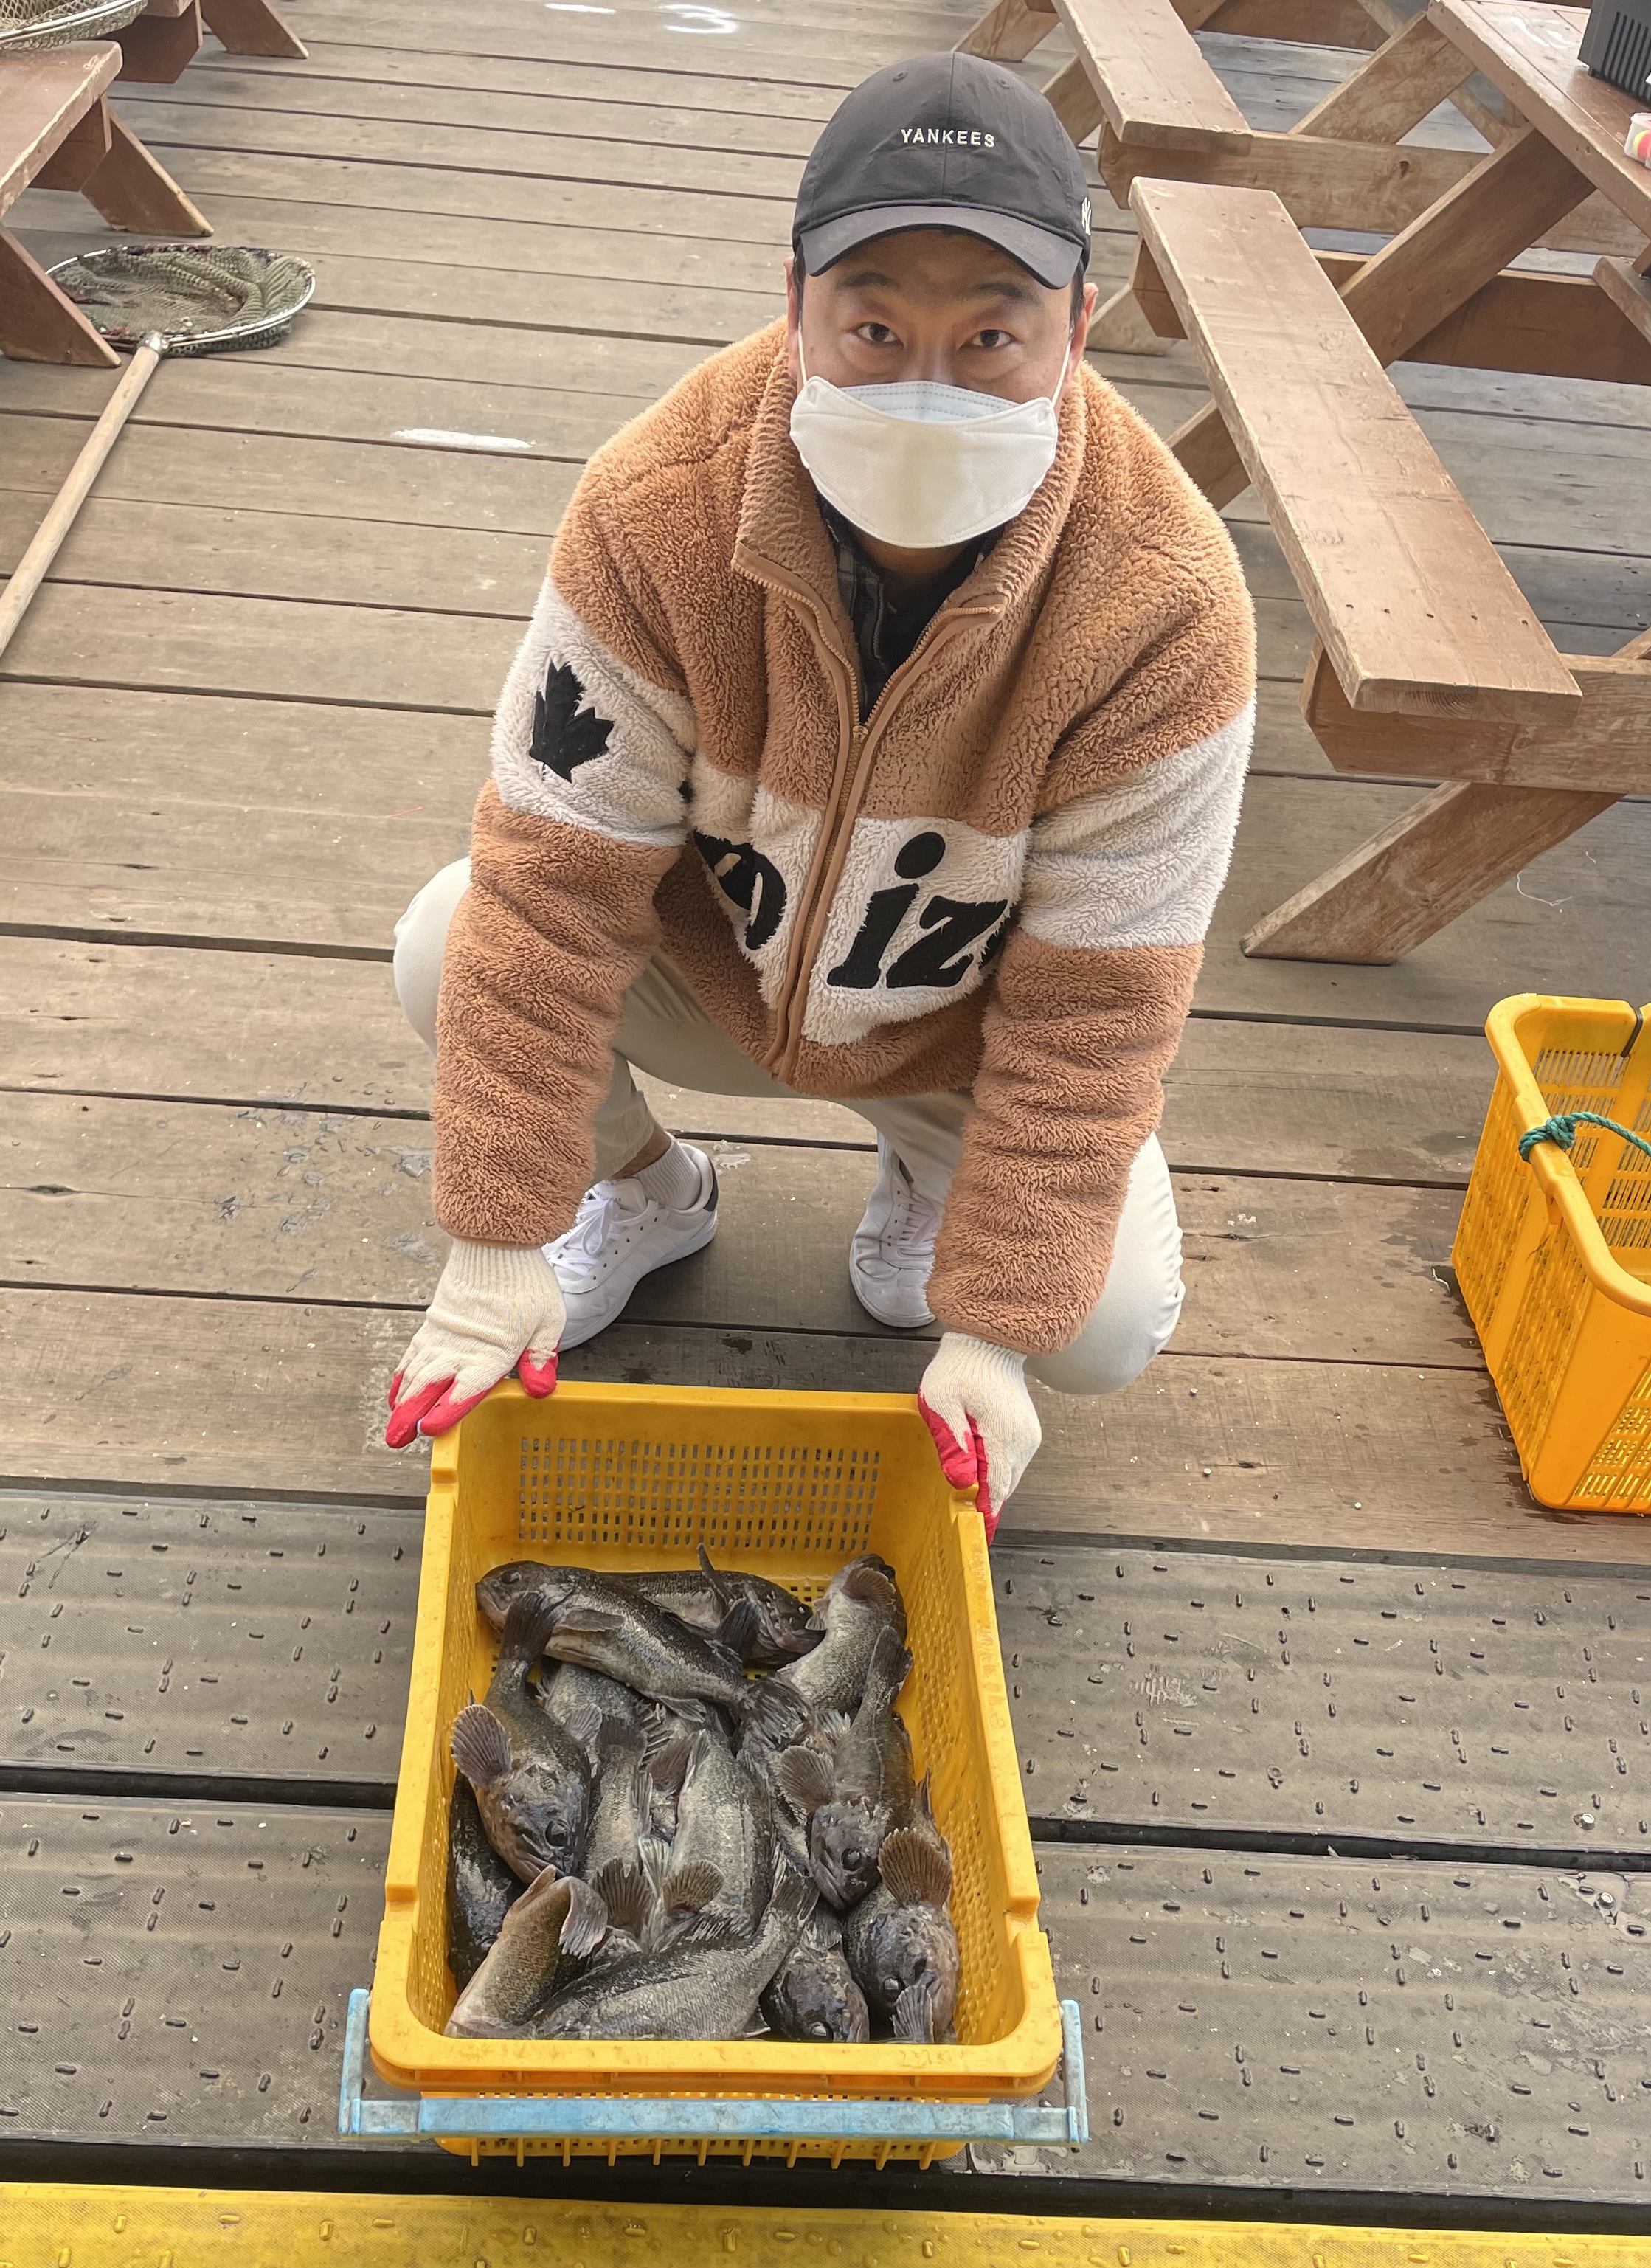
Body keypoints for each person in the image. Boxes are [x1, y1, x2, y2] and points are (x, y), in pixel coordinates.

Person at [385, 52, 1256, 1536]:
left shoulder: (1164, 607)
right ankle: (645, 1193)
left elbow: (1097, 1012)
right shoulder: (655, 507)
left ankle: (929, 1182)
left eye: (992, 336)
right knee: (448, 937)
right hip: (716, 974)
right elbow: (552, 892)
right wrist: (493, 1239)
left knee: (1096, 1329)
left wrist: (993, 1333)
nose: (928, 384)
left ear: (1078, 327)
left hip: (956, 1034)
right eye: (874, 327)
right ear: (794, 303)